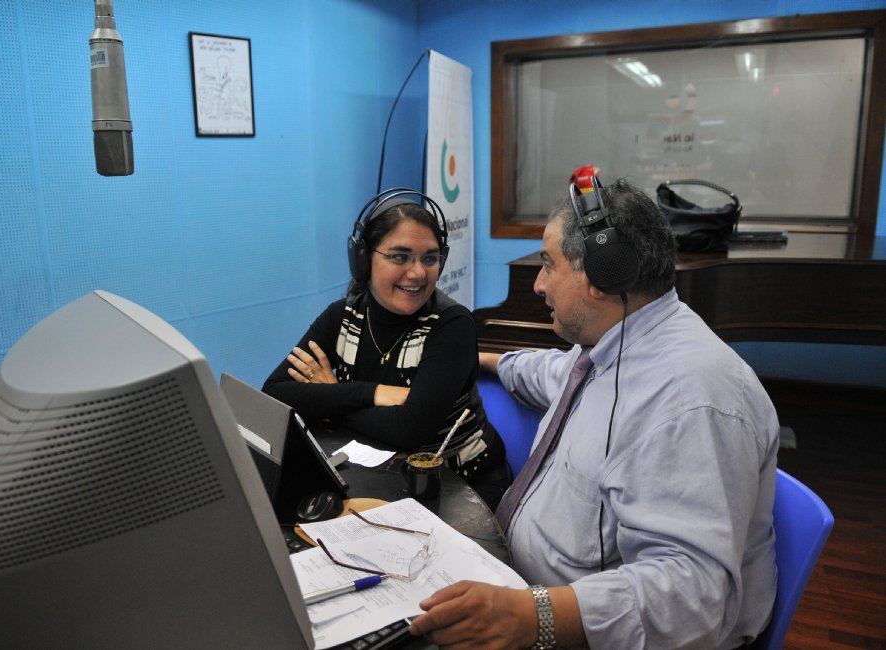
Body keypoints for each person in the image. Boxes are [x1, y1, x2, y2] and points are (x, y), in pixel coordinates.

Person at [408, 177, 779, 649]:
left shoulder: (690, 399)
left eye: (548, 265)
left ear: (603, 276)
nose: (539, 284)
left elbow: (691, 596)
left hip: (581, 631)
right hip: (529, 597)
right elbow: (552, 373)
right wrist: (483, 360)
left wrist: (531, 616)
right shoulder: (612, 345)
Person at [262, 189, 509, 508]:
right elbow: (275, 393)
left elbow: (410, 430)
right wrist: (371, 393)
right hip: (379, 474)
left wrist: (331, 396)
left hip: (462, 486)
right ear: (363, 260)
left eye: (429, 258)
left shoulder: (451, 325)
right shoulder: (342, 316)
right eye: (400, 257)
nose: (418, 272)